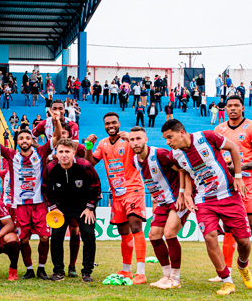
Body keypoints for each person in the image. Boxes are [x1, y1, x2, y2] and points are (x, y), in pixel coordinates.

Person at [162, 119, 252, 295]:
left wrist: (239, 176)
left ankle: (243, 265)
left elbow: (234, 148)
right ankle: (227, 281)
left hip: (229, 195)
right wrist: (186, 193)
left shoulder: (207, 137)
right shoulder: (177, 156)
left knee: (244, 241)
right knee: (210, 237)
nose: (168, 142)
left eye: (170, 137)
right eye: (166, 139)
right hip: (204, 200)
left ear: (181, 133)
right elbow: (185, 172)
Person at [0, 115, 59, 280]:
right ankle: (29, 269)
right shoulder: (12, 155)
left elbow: (57, 137)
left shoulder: (40, 152)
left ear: (31, 140)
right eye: (21, 138)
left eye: (27, 137)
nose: (25, 140)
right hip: (19, 206)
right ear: (17, 142)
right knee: (24, 240)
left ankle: (41, 268)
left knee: (45, 238)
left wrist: (56, 122)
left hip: (39, 204)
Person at [212, 95, 252, 286]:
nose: (233, 109)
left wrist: (239, 168)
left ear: (243, 108)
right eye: (229, 106)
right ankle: (226, 270)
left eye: (236, 105)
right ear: (225, 108)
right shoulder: (219, 129)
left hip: (250, 182)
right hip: (229, 185)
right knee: (229, 227)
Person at [85, 112, 148, 284]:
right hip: (117, 194)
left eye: (114, 122)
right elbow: (89, 163)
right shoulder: (103, 143)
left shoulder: (129, 140)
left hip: (133, 189)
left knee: (136, 226)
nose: (111, 126)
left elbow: (143, 151)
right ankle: (126, 269)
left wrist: (131, 139)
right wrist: (89, 146)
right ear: (104, 125)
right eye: (107, 123)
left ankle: (141, 272)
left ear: (119, 123)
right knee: (123, 232)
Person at [128, 127, 186, 289]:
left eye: (138, 138)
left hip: (176, 198)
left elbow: (182, 169)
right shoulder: (135, 160)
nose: (135, 142)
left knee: (169, 233)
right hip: (161, 202)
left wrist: (183, 194)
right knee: (154, 235)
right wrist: (154, 200)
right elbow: (151, 181)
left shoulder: (159, 154)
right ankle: (166, 275)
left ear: (146, 139)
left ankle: (175, 278)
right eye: (132, 140)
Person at [42, 138, 101, 282]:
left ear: (73, 152)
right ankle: (58, 271)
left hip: (83, 207)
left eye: (67, 151)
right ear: (56, 153)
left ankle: (87, 271)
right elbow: (45, 189)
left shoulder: (85, 166)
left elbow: (96, 186)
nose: (64, 155)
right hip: (61, 208)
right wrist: (54, 207)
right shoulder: (51, 167)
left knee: (88, 234)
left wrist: (90, 207)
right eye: (60, 151)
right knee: (56, 236)